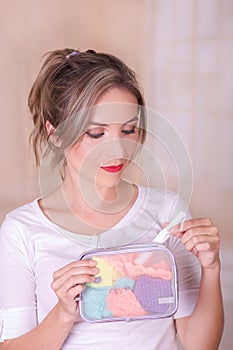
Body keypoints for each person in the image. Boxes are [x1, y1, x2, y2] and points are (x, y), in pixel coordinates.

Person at [0, 48, 224, 350]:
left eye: (128, 129)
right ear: (56, 134)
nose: (118, 149)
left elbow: (201, 345)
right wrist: (64, 313)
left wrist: (211, 269)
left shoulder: (167, 213)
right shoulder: (22, 230)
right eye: (96, 133)